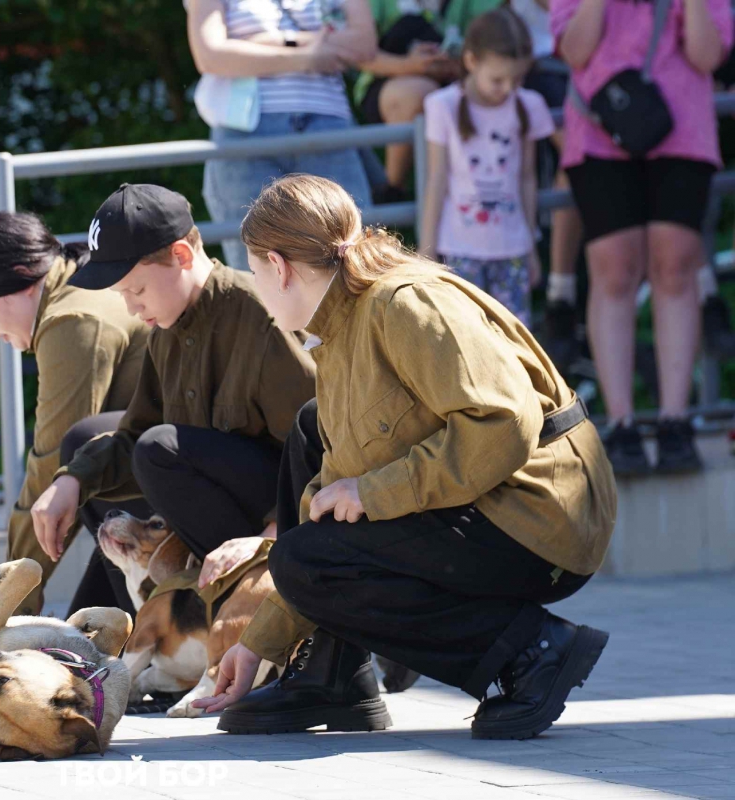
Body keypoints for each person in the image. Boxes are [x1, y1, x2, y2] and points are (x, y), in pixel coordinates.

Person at [192, 174, 617, 743]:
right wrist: (260, 642)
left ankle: (532, 651)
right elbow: (325, 502)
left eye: (251, 270)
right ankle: (328, 671)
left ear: (278, 265)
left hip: (545, 521)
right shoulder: (342, 326)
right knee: (308, 440)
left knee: (308, 557)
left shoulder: (404, 302)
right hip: (496, 503)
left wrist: (372, 494)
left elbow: (502, 423)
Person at [30, 183, 317, 609]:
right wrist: (71, 480)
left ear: (182, 256)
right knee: (86, 443)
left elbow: (322, 442)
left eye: (137, 290)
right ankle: (145, 623)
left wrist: (271, 535)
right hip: (220, 495)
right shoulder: (167, 326)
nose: (130, 307)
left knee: (158, 450)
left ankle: (231, 604)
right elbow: (134, 433)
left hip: (293, 507)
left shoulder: (259, 316)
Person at [552, 0, 733, 475]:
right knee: (613, 270)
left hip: (682, 130)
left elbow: (709, 55)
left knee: (676, 265)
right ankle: (623, 424)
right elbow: (573, 50)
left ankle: (676, 420)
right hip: (599, 131)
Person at [0, 211, 150, 616]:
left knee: (77, 452)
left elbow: (50, 466)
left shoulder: (73, 320)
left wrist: (7, 604)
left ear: (22, 278)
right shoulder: (75, 288)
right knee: (85, 650)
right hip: (176, 470)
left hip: (186, 488)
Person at [188, 0, 378, 270]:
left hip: (329, 133)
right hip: (245, 136)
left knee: (354, 259)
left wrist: (265, 43)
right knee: (256, 268)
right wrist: (306, 54)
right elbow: (210, 55)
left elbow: (364, 45)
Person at [420, 9, 555, 327]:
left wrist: (531, 245)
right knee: (464, 337)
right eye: (498, 79)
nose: (507, 88)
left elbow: (527, 179)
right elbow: (436, 180)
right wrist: (426, 253)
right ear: (471, 61)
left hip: (512, 250)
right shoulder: (443, 106)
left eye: (517, 79)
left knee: (512, 338)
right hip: (459, 249)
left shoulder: (528, 104)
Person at [355, 0, 502, 204]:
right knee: (423, 95)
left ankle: (399, 193)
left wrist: (460, 67)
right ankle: (393, 190)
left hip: (461, 84)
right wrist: (411, 66)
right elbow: (357, 53)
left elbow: (500, 50)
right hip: (391, 85)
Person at [511, 0, 588, 370]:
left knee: (575, 165)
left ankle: (562, 290)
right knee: (576, 160)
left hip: (590, 70)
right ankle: (560, 291)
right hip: (547, 73)